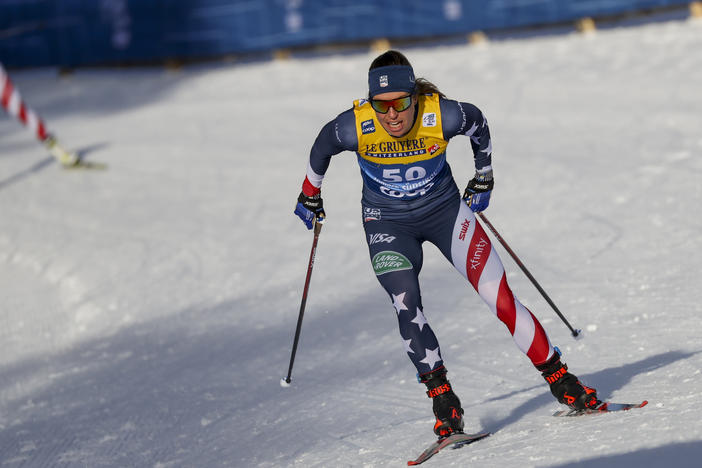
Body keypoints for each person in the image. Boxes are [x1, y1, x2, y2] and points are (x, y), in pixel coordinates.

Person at [294, 50, 599, 438]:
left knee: (499, 296)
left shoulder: (445, 115)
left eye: (401, 103)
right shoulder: (353, 126)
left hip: (445, 214)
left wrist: (484, 175)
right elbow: (321, 148)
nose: (391, 115)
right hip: (387, 223)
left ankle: (564, 383)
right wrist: (309, 194)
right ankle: (444, 403)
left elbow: (480, 125)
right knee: (406, 301)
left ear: (415, 97)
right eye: (381, 105)